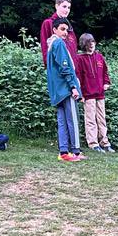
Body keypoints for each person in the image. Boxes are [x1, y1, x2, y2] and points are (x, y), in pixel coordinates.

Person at [45, 19, 85, 162]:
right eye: (62, 29)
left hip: (57, 91)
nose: (65, 33)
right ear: (54, 30)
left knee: (62, 121)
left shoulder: (50, 45)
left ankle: (63, 152)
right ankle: (75, 151)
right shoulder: (59, 44)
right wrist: (73, 87)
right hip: (65, 89)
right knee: (72, 120)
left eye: (67, 30)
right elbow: (65, 66)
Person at [74, 33, 114, 153]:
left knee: (102, 119)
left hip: (100, 93)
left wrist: (106, 83)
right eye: (89, 43)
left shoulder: (99, 57)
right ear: (84, 45)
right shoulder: (79, 59)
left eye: (93, 42)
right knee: (90, 119)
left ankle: (105, 143)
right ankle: (93, 143)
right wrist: (80, 94)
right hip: (88, 94)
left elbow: (105, 72)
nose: (92, 45)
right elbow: (78, 77)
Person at [39, 0, 78, 67]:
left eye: (69, 7)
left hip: (72, 70)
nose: (67, 10)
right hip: (58, 69)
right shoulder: (48, 23)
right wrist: (50, 66)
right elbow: (45, 48)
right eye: (64, 6)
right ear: (56, 6)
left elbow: (74, 49)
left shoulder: (69, 27)